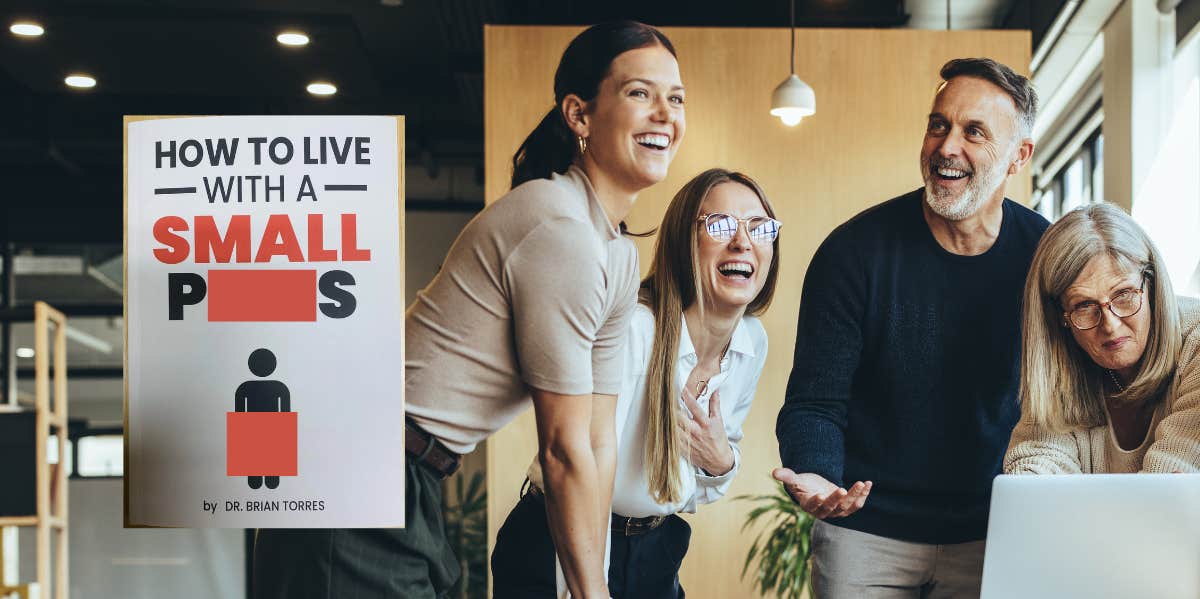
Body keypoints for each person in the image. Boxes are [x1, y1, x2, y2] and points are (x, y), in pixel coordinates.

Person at [252, 20, 685, 599]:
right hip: (358, 463)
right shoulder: (558, 229)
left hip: (408, 472)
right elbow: (559, 450)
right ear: (579, 114)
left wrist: (589, 585)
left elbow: (595, 442)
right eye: (640, 92)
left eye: (676, 98)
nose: (665, 113)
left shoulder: (615, 256)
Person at [774, 57, 1048, 598]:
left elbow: (1072, 397)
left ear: (1019, 156)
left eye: (974, 132)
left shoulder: (1045, 257)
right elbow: (814, 402)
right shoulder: (852, 253)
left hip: (991, 530)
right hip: (866, 531)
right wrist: (818, 475)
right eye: (938, 124)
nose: (947, 146)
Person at [491, 168, 780, 598]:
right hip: (564, 539)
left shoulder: (751, 342)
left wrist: (721, 461)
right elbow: (581, 468)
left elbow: (698, 489)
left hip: (653, 548)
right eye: (720, 226)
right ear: (685, 242)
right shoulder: (635, 330)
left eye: (760, 227)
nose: (743, 241)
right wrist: (588, 589)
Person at [1005, 203, 1200, 474]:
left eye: (1124, 295)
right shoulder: (1059, 364)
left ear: (1152, 285)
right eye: (1084, 305)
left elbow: (1172, 485)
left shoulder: (1196, 343)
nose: (1110, 325)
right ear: (1060, 316)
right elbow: (1038, 467)